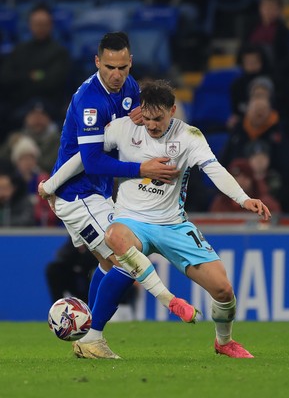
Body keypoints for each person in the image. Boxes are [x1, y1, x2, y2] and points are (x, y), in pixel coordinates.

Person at [42, 80, 271, 358]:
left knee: (223, 290)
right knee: (115, 239)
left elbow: (215, 170)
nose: (151, 125)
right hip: (131, 221)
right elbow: (85, 157)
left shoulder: (190, 136)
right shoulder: (123, 129)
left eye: (158, 119)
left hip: (173, 224)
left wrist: (244, 199)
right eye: (147, 118)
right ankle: (94, 336)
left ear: (172, 110)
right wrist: (51, 184)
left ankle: (224, 342)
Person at [38, 32, 196, 358]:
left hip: (96, 192)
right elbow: (93, 159)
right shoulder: (89, 100)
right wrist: (143, 170)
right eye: (110, 66)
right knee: (126, 256)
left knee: (111, 265)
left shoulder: (130, 89)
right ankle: (94, 336)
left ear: (130, 62)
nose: (117, 74)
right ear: (97, 61)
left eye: (123, 66)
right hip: (79, 194)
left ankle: (89, 336)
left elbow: (130, 137)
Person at [0, 2, 71, 134]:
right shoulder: (19, 50)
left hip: (50, 107)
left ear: (51, 25)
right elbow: (5, 77)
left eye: (44, 24)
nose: (40, 28)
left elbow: (53, 82)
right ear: (30, 25)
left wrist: (24, 77)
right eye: (37, 24)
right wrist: (33, 76)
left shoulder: (60, 52)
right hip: (20, 105)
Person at [209, 157, 281, 214]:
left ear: (252, 180)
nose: (241, 181)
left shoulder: (265, 203)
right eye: (236, 177)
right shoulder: (220, 203)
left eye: (245, 177)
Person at [0, 159, 35, 227]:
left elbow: (27, 220)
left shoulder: (23, 201)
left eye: (5, 188)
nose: (1, 192)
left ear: (14, 187)